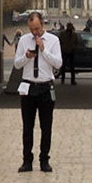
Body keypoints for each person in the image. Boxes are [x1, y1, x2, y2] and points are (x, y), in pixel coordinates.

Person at [11, 11, 61, 173]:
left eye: (37, 28)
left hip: (46, 86)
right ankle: (27, 160)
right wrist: (26, 56)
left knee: (46, 127)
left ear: (43, 24)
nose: (34, 32)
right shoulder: (24, 40)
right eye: (32, 29)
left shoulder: (53, 40)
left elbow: (58, 63)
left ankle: (44, 160)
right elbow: (17, 64)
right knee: (27, 127)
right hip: (28, 86)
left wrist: (44, 50)